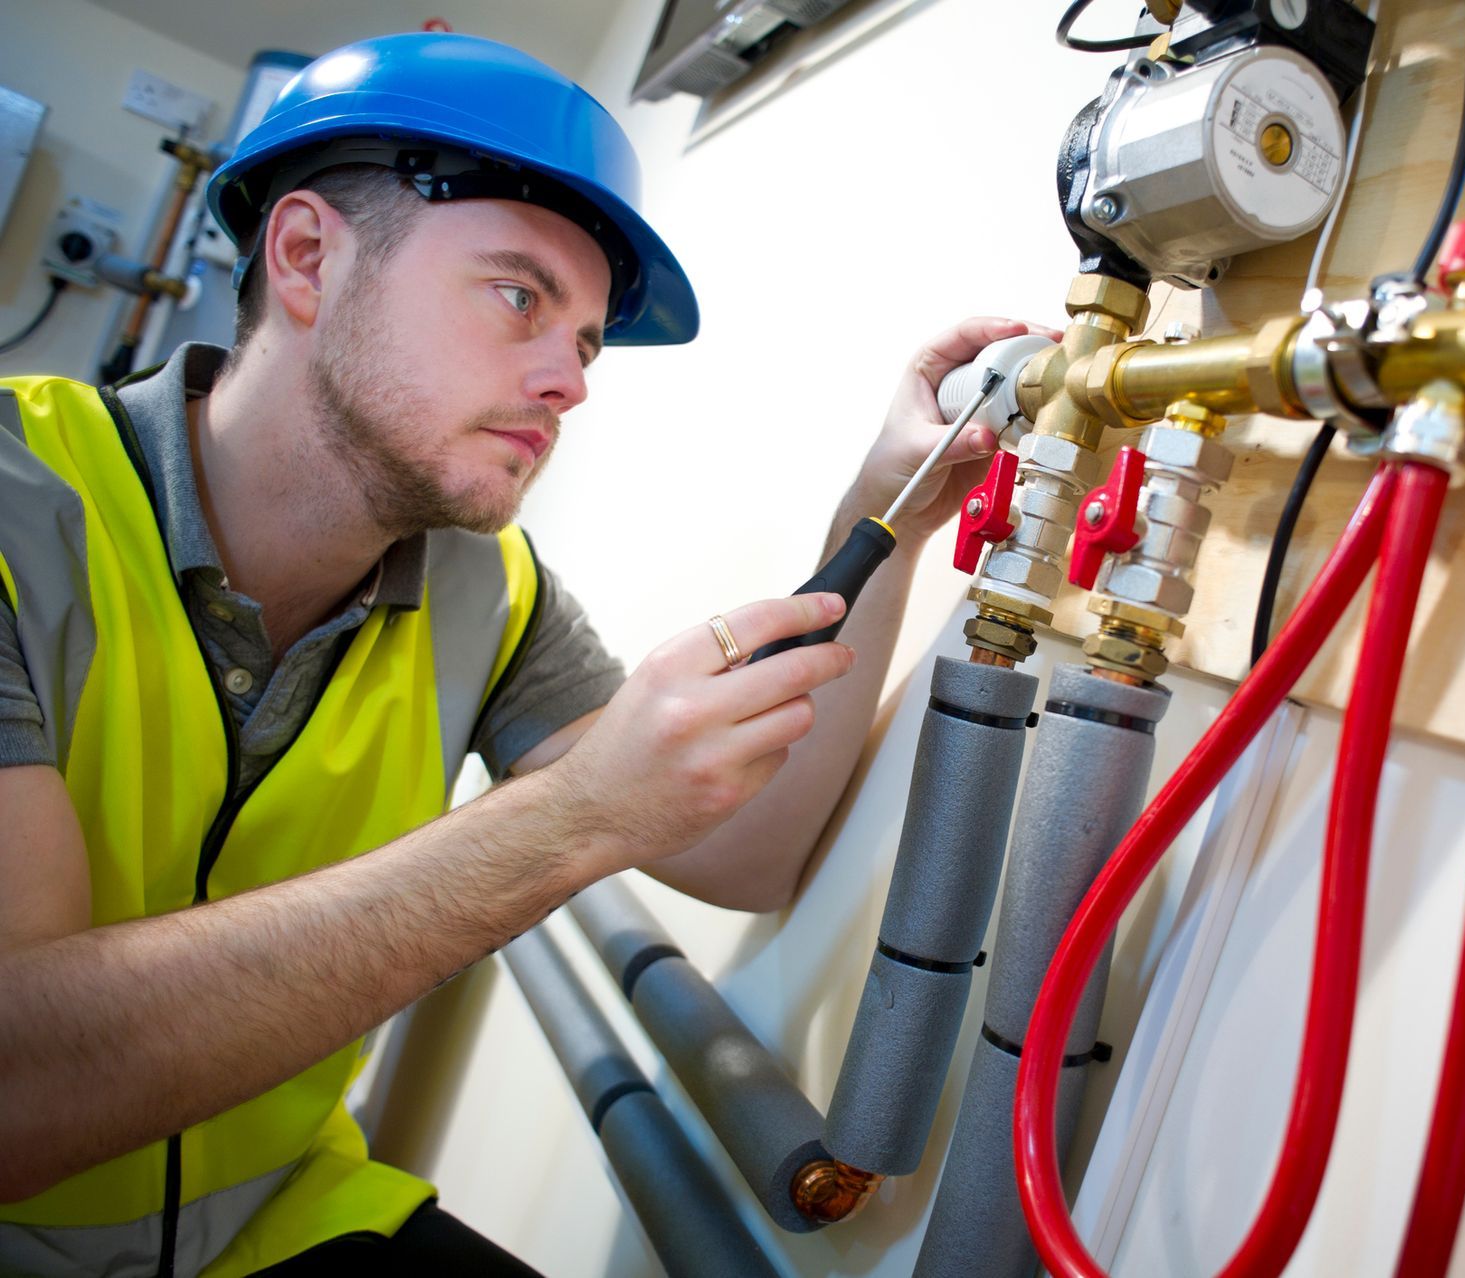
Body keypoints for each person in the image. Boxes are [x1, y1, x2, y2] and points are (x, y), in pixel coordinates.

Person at [0, 32, 1042, 1276]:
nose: (570, 382)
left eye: (591, 340)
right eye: (520, 298)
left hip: (273, 1223)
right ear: (306, 257)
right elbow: (21, 1089)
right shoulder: (22, 509)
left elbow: (748, 853)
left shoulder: (484, 590)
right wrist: (563, 825)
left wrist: (887, 512)